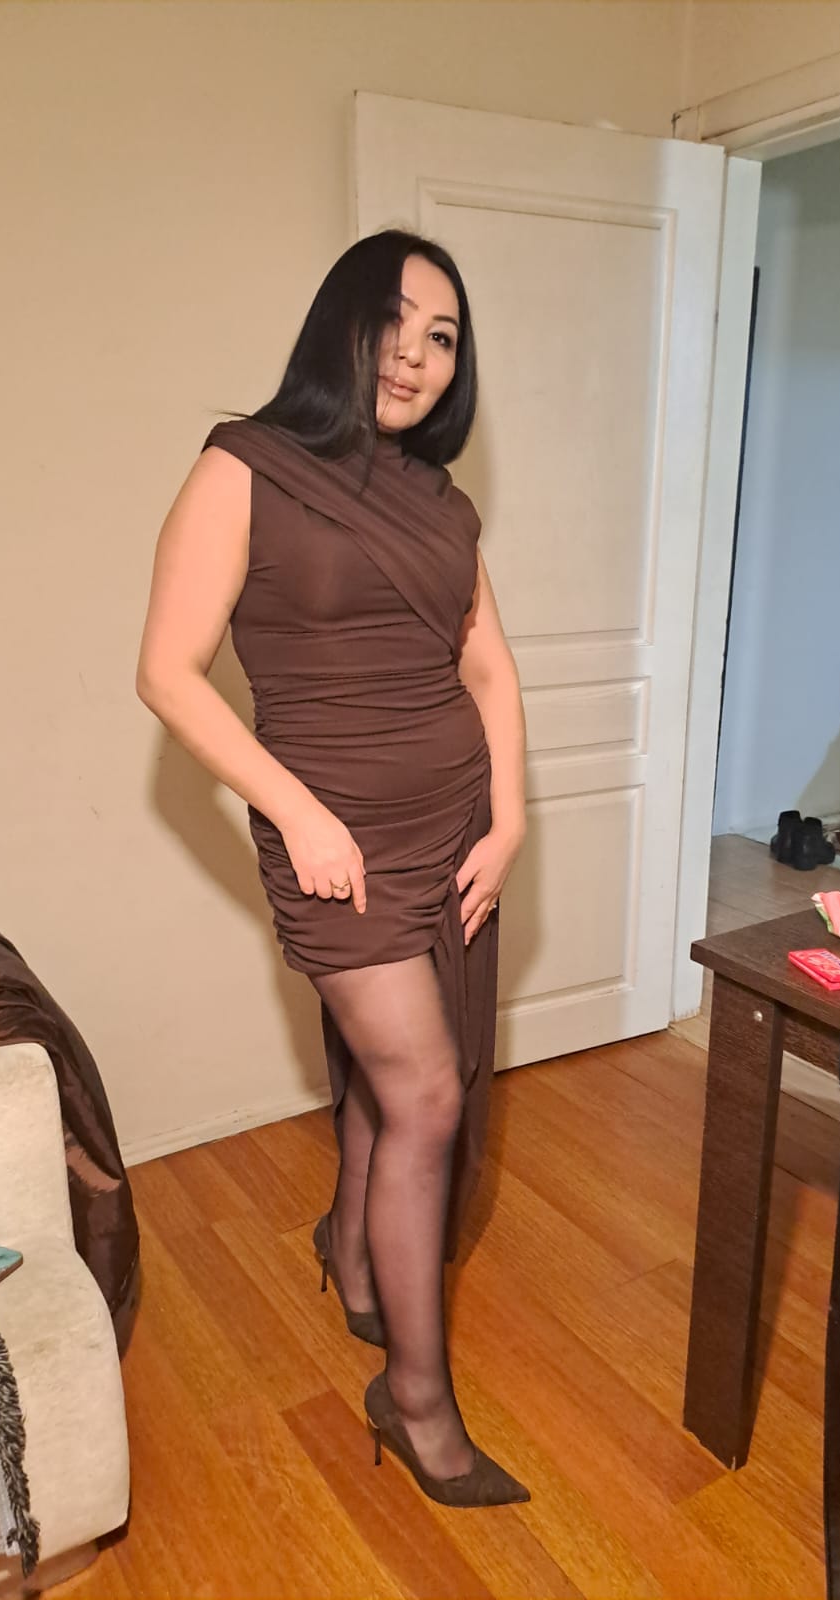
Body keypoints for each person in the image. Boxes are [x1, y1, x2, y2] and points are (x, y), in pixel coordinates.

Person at [136, 230, 529, 1507]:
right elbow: (166, 672)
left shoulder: (443, 505)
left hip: (452, 830)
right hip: (335, 844)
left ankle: (356, 1256)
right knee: (426, 1092)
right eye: (394, 322)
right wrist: (296, 812)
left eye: (442, 337)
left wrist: (509, 818)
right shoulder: (243, 465)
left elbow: (489, 669)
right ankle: (414, 1401)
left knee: (387, 1068)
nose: (415, 356)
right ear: (340, 325)